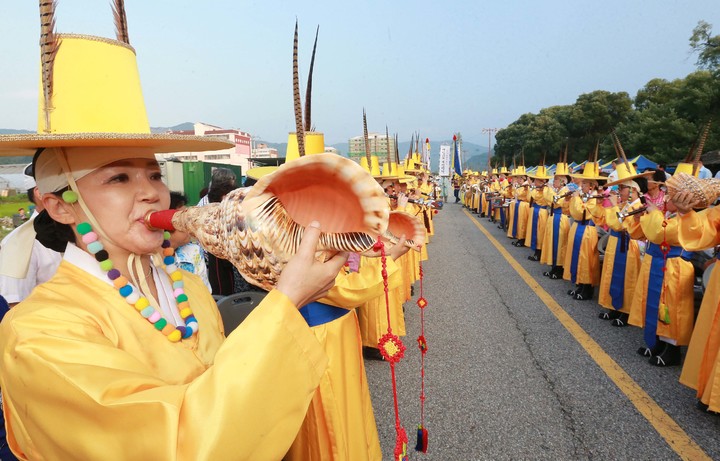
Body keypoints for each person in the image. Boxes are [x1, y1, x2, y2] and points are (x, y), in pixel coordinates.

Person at [0, 13, 347, 460]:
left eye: (153, 173)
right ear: (60, 205)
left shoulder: (188, 291)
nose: (151, 192)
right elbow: (178, 446)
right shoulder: (37, 332)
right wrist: (286, 301)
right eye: (118, 178)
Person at [0, 166, 63, 307]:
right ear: (40, 193)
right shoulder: (19, 242)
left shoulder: (79, 231)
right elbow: (14, 305)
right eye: (65, 187)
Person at [168, 192, 211, 292]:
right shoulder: (149, 260)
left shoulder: (193, 252)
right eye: (184, 222)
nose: (190, 227)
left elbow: (205, 292)